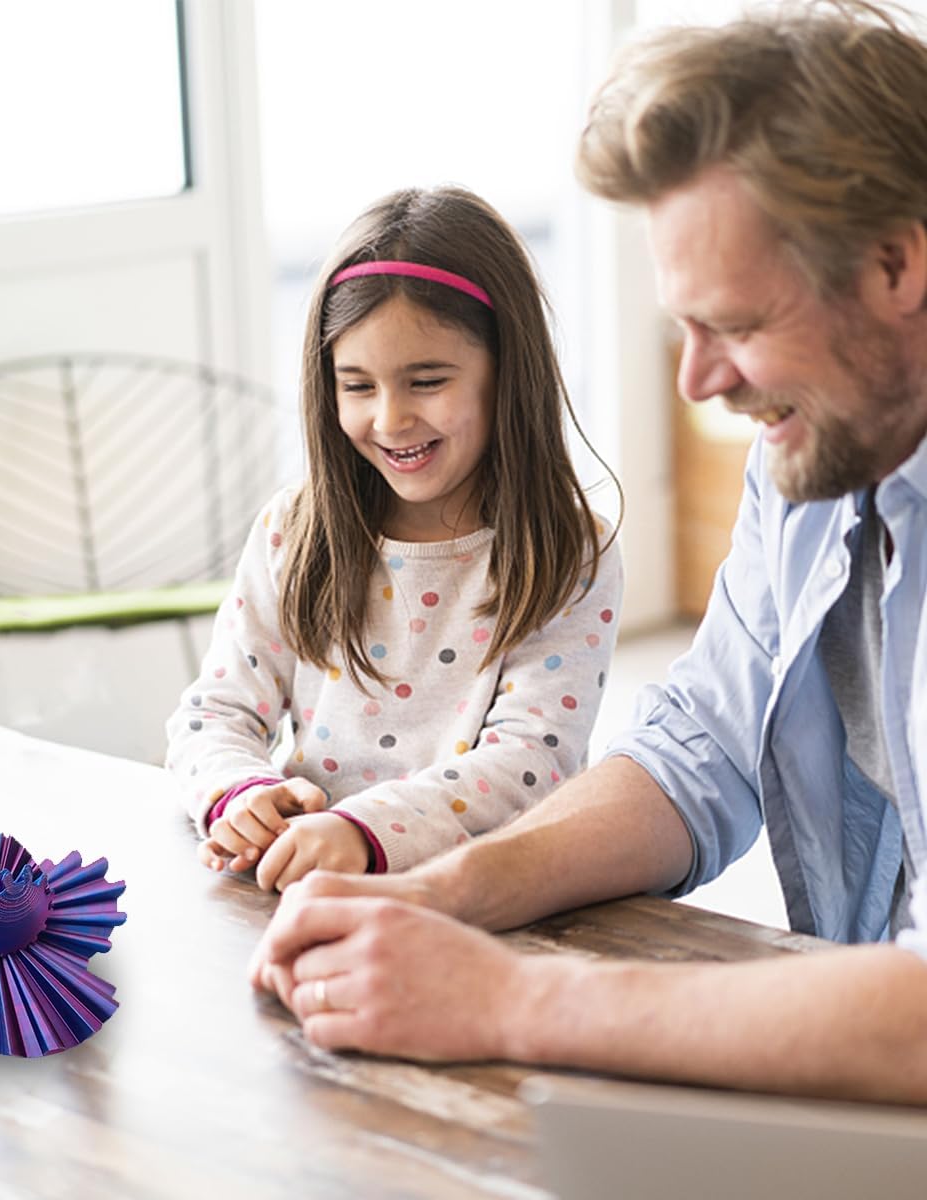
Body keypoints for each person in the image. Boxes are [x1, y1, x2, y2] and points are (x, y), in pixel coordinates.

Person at [250, 0, 927, 1105]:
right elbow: (699, 748)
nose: (698, 383)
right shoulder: (812, 453)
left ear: (898, 263)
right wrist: (445, 893)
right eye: (683, 330)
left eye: (740, 324)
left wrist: (511, 1000)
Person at [165, 186, 622, 893]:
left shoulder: (567, 554)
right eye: (357, 386)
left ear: (508, 371)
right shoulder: (292, 532)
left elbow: (532, 761)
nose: (391, 418)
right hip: (305, 889)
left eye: (427, 380)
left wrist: (362, 831)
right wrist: (239, 794)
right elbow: (214, 712)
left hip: (489, 899)